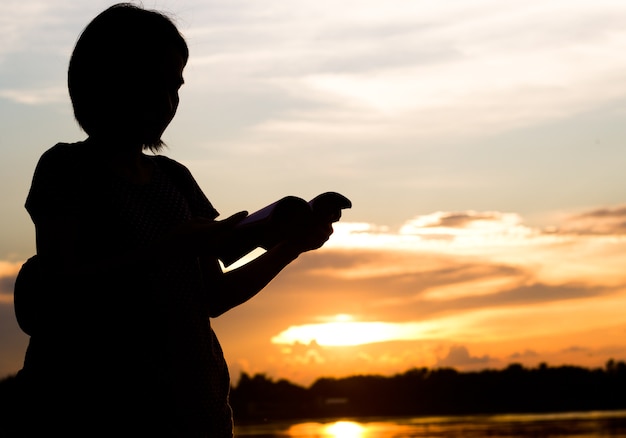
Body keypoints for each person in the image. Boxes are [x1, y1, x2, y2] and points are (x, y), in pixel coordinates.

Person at [14, 3, 335, 437]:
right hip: (94, 413)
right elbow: (62, 293)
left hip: (196, 415)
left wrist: (290, 246)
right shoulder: (66, 169)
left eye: (175, 87)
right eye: (151, 84)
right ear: (105, 81)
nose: (167, 102)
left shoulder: (175, 179)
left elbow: (213, 296)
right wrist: (172, 249)